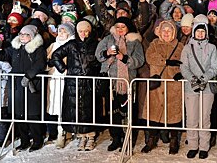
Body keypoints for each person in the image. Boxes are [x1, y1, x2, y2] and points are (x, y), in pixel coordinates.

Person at [0, 24, 47, 152]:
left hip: (31, 86)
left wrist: (29, 76)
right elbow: (4, 56)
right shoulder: (15, 48)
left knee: (32, 115)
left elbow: (40, 64)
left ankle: (37, 140)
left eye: (25, 34)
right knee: (19, 115)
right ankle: (24, 140)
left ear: (31, 36)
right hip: (17, 87)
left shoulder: (38, 49)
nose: (22, 37)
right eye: (21, 34)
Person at [96, 17, 145, 151]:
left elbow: (140, 61)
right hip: (111, 82)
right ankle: (116, 137)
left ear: (128, 28)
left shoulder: (135, 42)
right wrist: (107, 53)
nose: (120, 29)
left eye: (123, 26)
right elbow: (98, 55)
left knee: (127, 111)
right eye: (118, 26)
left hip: (128, 81)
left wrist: (124, 58)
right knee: (113, 112)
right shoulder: (108, 39)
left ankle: (127, 137)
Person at [51, 20, 101, 151]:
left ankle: (90, 136)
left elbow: (100, 60)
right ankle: (81, 136)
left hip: (89, 82)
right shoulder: (72, 44)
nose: (83, 34)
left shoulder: (96, 44)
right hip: (73, 83)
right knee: (76, 110)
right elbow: (55, 55)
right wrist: (64, 69)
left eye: (86, 31)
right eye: (81, 31)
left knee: (89, 110)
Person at [141, 20, 184, 155]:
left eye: (169, 31)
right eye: (163, 30)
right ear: (159, 32)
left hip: (173, 85)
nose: (166, 33)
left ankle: (174, 140)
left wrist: (181, 72)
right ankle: (151, 140)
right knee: (153, 113)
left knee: (174, 115)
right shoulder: (154, 44)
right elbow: (149, 57)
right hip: (157, 85)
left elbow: (185, 62)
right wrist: (165, 62)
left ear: (173, 32)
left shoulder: (180, 46)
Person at [180, 22, 217, 159]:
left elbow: (215, 66)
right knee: (191, 118)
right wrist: (192, 79)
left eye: (203, 31)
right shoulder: (186, 48)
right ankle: (192, 146)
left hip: (207, 87)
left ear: (206, 33)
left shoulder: (212, 48)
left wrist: (204, 78)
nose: (200, 34)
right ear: (194, 32)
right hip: (191, 88)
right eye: (198, 31)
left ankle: (204, 146)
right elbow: (183, 66)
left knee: (205, 118)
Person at [46, 22, 75, 147]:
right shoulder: (53, 45)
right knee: (54, 106)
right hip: (53, 79)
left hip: (66, 79)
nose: (61, 33)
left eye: (64, 31)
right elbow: (46, 61)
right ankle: (56, 131)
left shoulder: (72, 45)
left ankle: (62, 132)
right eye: (60, 30)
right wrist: (50, 63)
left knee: (64, 106)